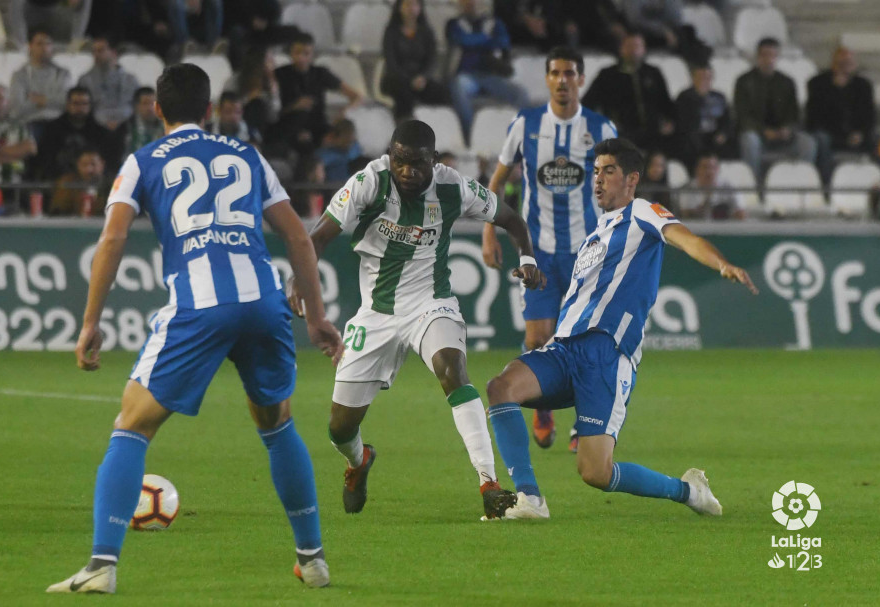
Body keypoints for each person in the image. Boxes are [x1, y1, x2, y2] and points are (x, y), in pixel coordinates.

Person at [46, 63, 344, 594]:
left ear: (157, 109)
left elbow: (112, 240)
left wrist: (91, 321)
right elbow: (299, 237)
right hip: (262, 300)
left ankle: (101, 566)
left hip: (200, 305)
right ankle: (313, 558)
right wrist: (317, 316)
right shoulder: (247, 155)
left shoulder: (141, 161)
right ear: (208, 111)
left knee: (131, 425)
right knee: (277, 424)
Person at [484, 137, 758, 519]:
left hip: (606, 357)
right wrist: (540, 281)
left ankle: (688, 491)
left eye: (608, 171)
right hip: (565, 349)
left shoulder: (642, 212)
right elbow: (584, 296)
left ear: (631, 179)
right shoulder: (595, 236)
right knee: (501, 387)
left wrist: (721, 264)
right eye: (595, 172)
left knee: (595, 472)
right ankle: (529, 498)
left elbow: (685, 238)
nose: (598, 180)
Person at [289, 119, 546, 519]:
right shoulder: (368, 183)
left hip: (431, 302)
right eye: (400, 162)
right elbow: (318, 237)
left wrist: (527, 257)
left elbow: (512, 219)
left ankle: (488, 483)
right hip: (376, 313)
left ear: (434, 160)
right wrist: (299, 280)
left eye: (417, 164)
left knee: (453, 369)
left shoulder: (452, 187)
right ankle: (359, 462)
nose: (408, 172)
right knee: (339, 429)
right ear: (390, 156)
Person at [481, 46, 617, 453]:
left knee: (583, 338)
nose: (562, 80)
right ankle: (543, 409)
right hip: (536, 250)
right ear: (546, 79)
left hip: (587, 252)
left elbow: (615, 185)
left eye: (569, 73)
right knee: (539, 336)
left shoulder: (599, 126)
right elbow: (500, 179)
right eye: (555, 73)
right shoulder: (526, 124)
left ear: (581, 79)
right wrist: (490, 233)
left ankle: (584, 423)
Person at [446, 0, 529, 142]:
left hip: (492, 76)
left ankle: (520, 137)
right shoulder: (454, 24)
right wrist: (487, 39)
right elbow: (462, 40)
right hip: (467, 75)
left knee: (520, 93)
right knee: (458, 86)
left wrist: (475, 42)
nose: (471, 3)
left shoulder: (495, 22)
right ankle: (470, 136)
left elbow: (503, 42)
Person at [734, 38, 816, 181]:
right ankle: (754, 185)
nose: (769, 59)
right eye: (765, 55)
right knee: (749, 140)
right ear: (758, 57)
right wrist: (764, 131)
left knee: (807, 142)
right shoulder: (744, 81)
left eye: (773, 55)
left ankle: (800, 183)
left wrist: (787, 129)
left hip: (782, 137)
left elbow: (793, 114)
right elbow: (743, 116)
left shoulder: (787, 82)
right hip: (758, 135)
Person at [581, 32, 675, 154]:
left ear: (644, 49)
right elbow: (588, 103)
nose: (633, 51)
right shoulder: (608, 75)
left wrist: (670, 122)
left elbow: (665, 102)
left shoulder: (653, 73)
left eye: (637, 46)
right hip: (621, 134)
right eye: (629, 46)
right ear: (621, 49)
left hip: (653, 133)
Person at [271, 32, 364, 155]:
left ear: (312, 55)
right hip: (290, 126)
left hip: (318, 126)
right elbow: (274, 113)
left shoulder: (320, 73)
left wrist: (344, 112)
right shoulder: (281, 74)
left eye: (306, 53)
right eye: (297, 52)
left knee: (348, 138)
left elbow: (355, 96)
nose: (301, 58)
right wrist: (295, 106)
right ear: (291, 53)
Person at [806, 47, 876, 183]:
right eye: (842, 63)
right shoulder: (818, 83)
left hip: (857, 134)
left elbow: (869, 116)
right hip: (830, 134)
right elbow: (814, 117)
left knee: (879, 140)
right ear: (834, 63)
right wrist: (836, 91)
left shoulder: (863, 85)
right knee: (821, 139)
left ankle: (877, 184)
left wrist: (860, 133)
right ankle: (825, 184)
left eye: (849, 63)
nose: (845, 67)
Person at [31, 86, 119, 181]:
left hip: (93, 180)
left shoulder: (101, 132)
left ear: (90, 106)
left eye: (84, 104)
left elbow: (108, 162)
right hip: (59, 182)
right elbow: (45, 161)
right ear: (68, 105)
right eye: (76, 104)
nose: (80, 108)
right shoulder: (52, 129)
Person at [380, 0, 449, 121]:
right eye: (407, 5)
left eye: (415, 4)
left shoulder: (427, 32)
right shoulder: (391, 32)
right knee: (404, 92)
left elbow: (432, 60)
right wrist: (409, 80)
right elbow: (391, 63)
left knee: (442, 92)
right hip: (396, 78)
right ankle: (404, 128)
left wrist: (423, 77)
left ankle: (436, 126)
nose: (411, 8)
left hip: (420, 79)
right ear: (399, 8)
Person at [8, 28, 72, 129]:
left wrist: (40, 100)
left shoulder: (63, 73)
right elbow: (16, 108)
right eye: (39, 44)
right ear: (30, 46)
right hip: (30, 123)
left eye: (48, 44)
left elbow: (67, 102)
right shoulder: (19, 76)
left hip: (58, 123)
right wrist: (51, 101)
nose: (44, 48)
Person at [675, 63, 735, 170]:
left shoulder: (719, 97)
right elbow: (682, 122)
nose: (704, 81)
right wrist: (699, 98)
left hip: (714, 136)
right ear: (693, 78)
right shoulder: (684, 97)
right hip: (693, 137)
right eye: (700, 77)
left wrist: (723, 133)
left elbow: (727, 121)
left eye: (707, 78)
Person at [77, 34, 140, 130]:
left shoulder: (130, 79)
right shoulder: (85, 80)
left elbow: (136, 106)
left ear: (113, 53)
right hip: (95, 127)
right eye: (94, 51)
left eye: (100, 50)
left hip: (127, 126)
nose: (96, 55)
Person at [678, 152, 745, 220]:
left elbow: (741, 214)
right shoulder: (687, 188)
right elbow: (685, 215)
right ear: (697, 170)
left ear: (718, 169)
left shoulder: (730, 187)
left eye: (713, 167)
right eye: (705, 167)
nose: (709, 172)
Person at [48, 146, 109, 216]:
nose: (89, 170)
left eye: (93, 164)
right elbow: (57, 211)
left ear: (102, 164)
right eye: (84, 164)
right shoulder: (67, 183)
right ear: (77, 165)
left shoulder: (113, 185)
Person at [115, 87, 165, 161]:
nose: (150, 108)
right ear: (136, 106)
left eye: (153, 103)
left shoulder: (166, 126)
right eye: (145, 103)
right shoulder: (125, 128)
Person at [318, 119, 364, 183]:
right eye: (345, 137)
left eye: (351, 136)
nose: (348, 140)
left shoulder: (355, 148)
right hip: (333, 188)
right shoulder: (324, 154)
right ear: (336, 136)